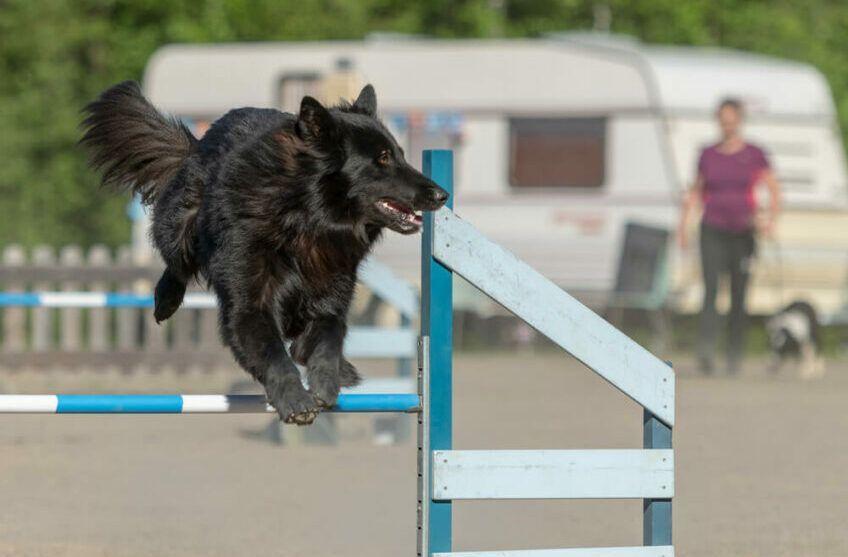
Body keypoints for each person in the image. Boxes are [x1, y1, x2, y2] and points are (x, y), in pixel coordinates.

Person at [678, 98, 782, 374]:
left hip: (744, 232)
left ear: (739, 120)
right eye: (722, 119)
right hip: (712, 228)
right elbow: (696, 191)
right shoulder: (708, 154)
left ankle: (734, 354)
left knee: (739, 293)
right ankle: (706, 350)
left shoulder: (754, 154)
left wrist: (770, 220)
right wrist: (683, 226)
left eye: (731, 118)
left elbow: (773, 189)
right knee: (711, 290)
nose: (727, 124)